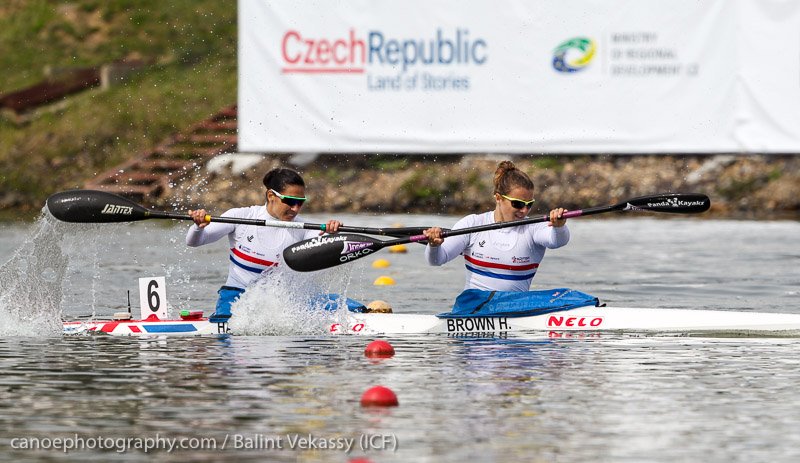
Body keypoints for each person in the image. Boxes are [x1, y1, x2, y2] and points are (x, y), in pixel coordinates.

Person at [186, 167, 342, 322]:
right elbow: (194, 242)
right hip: (236, 296)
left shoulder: (304, 228)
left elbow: (327, 243)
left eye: (300, 203)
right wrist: (198, 227)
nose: (295, 209)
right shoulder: (240, 217)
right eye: (290, 201)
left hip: (280, 300)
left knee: (344, 305)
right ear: (271, 195)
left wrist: (332, 231)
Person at [423, 160, 569, 293]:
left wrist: (559, 227)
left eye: (529, 204)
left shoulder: (533, 228)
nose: (524, 210)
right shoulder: (473, 224)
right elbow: (436, 260)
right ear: (498, 198)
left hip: (515, 308)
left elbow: (557, 241)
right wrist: (434, 246)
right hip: (474, 309)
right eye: (517, 204)